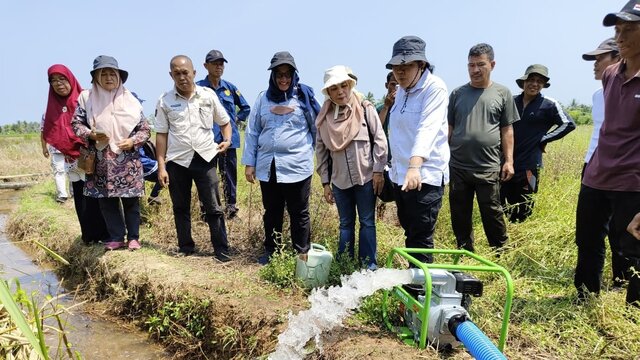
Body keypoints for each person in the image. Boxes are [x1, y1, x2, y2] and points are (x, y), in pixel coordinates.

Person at [575, 0, 640, 307]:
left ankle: (633, 311)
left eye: (629, 29)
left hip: (632, 181)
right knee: (587, 242)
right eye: (618, 30)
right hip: (598, 175)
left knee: (633, 250)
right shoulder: (610, 74)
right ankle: (586, 296)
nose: (621, 37)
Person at [242, 51, 320, 265]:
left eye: (287, 74)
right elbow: (252, 131)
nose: (283, 79)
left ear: (294, 74)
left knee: (299, 213)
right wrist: (250, 163)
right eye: (279, 75)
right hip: (269, 166)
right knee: (272, 212)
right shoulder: (262, 98)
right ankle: (272, 251)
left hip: (298, 166)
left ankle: (301, 254)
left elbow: (316, 131)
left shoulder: (304, 98)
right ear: (273, 77)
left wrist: (320, 161)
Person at [155, 55, 232, 262]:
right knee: (180, 206)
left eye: (185, 72)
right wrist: (161, 166)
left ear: (194, 73)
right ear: (171, 75)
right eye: (177, 73)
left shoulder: (207, 96)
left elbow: (225, 122)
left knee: (214, 207)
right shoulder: (165, 101)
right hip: (177, 161)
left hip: (205, 158)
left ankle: (221, 250)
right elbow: (161, 135)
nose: (182, 77)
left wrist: (227, 139)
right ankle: (186, 247)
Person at [72, 56, 150, 251]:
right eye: (103, 74)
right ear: (96, 77)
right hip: (100, 159)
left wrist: (133, 141)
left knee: (131, 200)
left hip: (128, 159)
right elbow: (76, 124)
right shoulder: (86, 98)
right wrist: (91, 134)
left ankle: (133, 237)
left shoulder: (131, 99)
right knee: (107, 202)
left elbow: (145, 129)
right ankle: (116, 236)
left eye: (112, 74)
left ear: (119, 77)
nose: (108, 78)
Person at [448, 43, 519, 253]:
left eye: (480, 64)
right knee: (459, 212)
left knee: (491, 211)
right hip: (458, 165)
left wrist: (509, 161)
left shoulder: (502, 93)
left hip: (487, 166)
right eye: (471, 65)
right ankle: (464, 251)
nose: (475, 70)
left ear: (492, 64)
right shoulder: (457, 94)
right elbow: (449, 128)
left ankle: (500, 252)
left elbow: (507, 130)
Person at [385, 36, 450, 265]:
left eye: (406, 67)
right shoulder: (402, 90)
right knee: (410, 231)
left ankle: (421, 291)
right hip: (402, 175)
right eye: (396, 67)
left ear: (421, 65)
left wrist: (415, 166)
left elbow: (428, 128)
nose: (400, 73)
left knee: (421, 236)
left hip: (424, 176)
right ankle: (414, 284)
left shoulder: (435, 88)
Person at [315, 65, 387, 270]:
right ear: (328, 93)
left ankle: (368, 267)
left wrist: (378, 171)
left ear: (350, 85)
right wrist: (325, 183)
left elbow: (380, 140)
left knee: (367, 222)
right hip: (339, 181)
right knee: (345, 225)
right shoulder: (324, 117)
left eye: (343, 86)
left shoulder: (365, 109)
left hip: (366, 178)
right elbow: (321, 152)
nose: (340, 92)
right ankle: (344, 266)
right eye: (334, 88)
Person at [43, 64, 109, 244]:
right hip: (70, 158)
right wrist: (66, 147)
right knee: (80, 196)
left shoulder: (85, 98)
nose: (58, 84)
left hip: (91, 154)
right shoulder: (52, 106)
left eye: (62, 79)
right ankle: (88, 236)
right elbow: (51, 130)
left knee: (97, 195)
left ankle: (105, 234)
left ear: (70, 79)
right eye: (53, 81)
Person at [576, 38, 624, 288]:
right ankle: (586, 289)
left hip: (624, 172)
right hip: (593, 167)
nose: (595, 64)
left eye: (600, 58)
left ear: (618, 58)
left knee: (621, 233)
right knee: (588, 235)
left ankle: (622, 284)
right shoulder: (597, 95)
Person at [500, 64, 576, 223]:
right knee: (500, 203)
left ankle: (520, 233)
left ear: (543, 85)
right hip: (505, 163)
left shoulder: (549, 104)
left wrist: (544, 138)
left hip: (529, 166)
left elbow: (568, 124)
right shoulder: (511, 102)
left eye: (539, 81)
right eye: (531, 80)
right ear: (524, 81)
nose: (534, 84)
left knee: (524, 204)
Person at [197, 49, 251, 219]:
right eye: (215, 64)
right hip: (206, 142)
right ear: (206, 66)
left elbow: (245, 108)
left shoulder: (230, 88)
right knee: (207, 177)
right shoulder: (198, 88)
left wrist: (234, 120)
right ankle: (208, 210)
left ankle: (231, 210)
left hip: (229, 141)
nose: (219, 67)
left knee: (229, 176)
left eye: (221, 64)